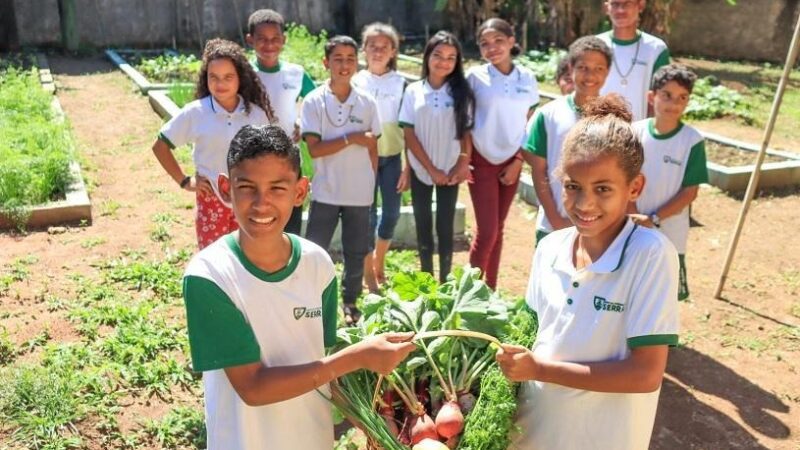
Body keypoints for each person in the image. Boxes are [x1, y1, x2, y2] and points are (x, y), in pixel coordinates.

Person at [182, 124, 415, 450]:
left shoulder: (316, 264)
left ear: (300, 192)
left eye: (278, 188)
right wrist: (357, 358)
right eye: (247, 187)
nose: (262, 204)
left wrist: (373, 422)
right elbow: (253, 388)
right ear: (226, 188)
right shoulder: (210, 276)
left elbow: (320, 365)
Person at [497, 95, 680, 450]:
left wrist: (540, 371)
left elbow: (645, 374)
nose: (584, 204)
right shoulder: (550, 247)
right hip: (533, 433)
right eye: (572, 187)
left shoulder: (649, 256)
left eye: (603, 189)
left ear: (635, 188)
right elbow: (531, 335)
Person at [152, 38, 274, 249]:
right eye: (213, 77)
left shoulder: (256, 115)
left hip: (249, 201)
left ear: (240, 78)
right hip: (211, 202)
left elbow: (269, 157)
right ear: (205, 78)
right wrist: (184, 181)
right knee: (213, 261)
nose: (220, 84)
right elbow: (160, 146)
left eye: (228, 77)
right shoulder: (196, 112)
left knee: (249, 259)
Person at [300, 35, 381, 323]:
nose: (345, 65)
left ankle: (350, 303)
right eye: (338, 59)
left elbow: (374, 149)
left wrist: (370, 184)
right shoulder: (314, 102)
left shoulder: (367, 103)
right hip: (326, 191)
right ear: (326, 63)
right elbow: (315, 148)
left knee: (356, 252)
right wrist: (352, 138)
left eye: (350, 59)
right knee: (315, 249)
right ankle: (312, 302)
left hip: (359, 193)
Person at [466, 18, 539, 290]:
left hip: (512, 161)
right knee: (487, 232)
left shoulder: (528, 78)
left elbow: (529, 120)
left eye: (498, 40)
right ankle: (468, 292)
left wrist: (518, 161)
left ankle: (490, 291)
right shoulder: (475, 77)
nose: (492, 47)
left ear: (511, 41)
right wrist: (467, 160)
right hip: (482, 160)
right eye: (485, 43)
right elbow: (467, 123)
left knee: (498, 229)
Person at [398, 31, 473, 283]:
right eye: (438, 55)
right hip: (422, 170)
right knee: (423, 226)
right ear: (427, 56)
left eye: (451, 57)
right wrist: (430, 170)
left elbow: (466, 133)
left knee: (445, 226)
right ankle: (426, 279)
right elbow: (409, 134)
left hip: (451, 171)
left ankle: (445, 279)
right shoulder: (413, 91)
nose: (444, 62)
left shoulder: (461, 92)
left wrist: (461, 164)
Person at [523, 36, 612, 245]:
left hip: (601, 229)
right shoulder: (548, 114)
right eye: (583, 67)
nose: (590, 75)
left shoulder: (615, 117)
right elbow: (538, 170)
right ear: (571, 68)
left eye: (599, 68)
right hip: (554, 226)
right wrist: (555, 219)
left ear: (608, 72)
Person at [630, 64, 708, 301]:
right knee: (630, 280)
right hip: (630, 223)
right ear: (652, 97)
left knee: (663, 289)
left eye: (682, 97)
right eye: (667, 95)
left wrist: (652, 218)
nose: (674, 104)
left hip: (669, 229)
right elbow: (622, 179)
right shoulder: (634, 133)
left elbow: (689, 193)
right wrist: (632, 215)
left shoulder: (692, 141)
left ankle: (660, 337)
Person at [246, 8, 316, 235]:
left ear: (284, 40)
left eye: (275, 39)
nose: (269, 45)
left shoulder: (296, 74)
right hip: (251, 157)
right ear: (250, 40)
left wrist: (302, 123)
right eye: (262, 39)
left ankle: (288, 265)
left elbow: (317, 102)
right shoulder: (243, 72)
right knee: (256, 216)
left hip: (288, 158)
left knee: (289, 220)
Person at [352, 22, 406, 293]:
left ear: (393, 51)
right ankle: (368, 273)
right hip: (364, 160)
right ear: (364, 49)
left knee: (392, 213)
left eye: (384, 46)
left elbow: (409, 125)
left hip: (393, 157)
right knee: (368, 216)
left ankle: (379, 261)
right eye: (372, 46)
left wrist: (408, 166)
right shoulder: (355, 80)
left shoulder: (401, 83)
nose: (378, 50)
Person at [598, 0, 670, 121]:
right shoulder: (595, 45)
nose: (621, 10)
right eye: (615, 4)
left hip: (637, 134)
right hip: (597, 131)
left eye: (627, 4)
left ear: (641, 5)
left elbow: (661, 96)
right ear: (607, 8)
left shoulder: (656, 48)